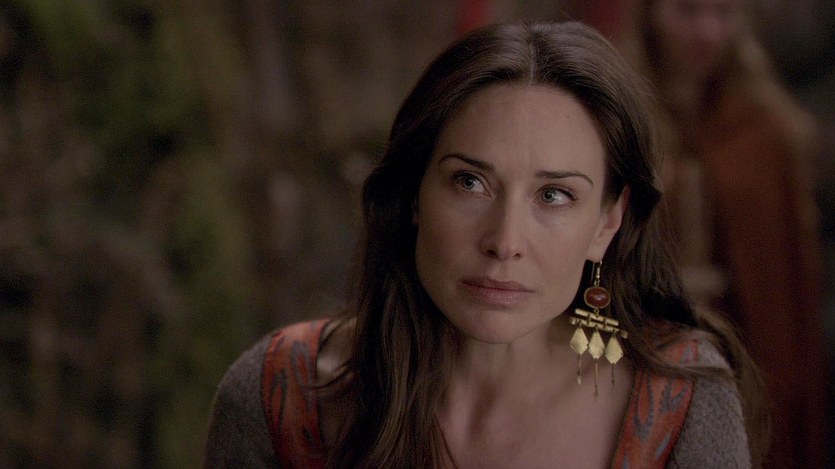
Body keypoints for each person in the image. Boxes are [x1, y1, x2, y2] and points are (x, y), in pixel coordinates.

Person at [204, 21, 765, 468]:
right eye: (470, 183)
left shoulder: (678, 400)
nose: (504, 241)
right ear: (415, 195)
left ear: (606, 224)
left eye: (554, 195)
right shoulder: (281, 392)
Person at [618, 1, 829, 467]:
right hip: (646, 350)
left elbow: (789, 287)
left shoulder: (764, 131)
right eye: (689, 11)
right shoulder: (621, 123)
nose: (707, 32)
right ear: (652, 14)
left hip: (750, 350)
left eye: (723, 13)